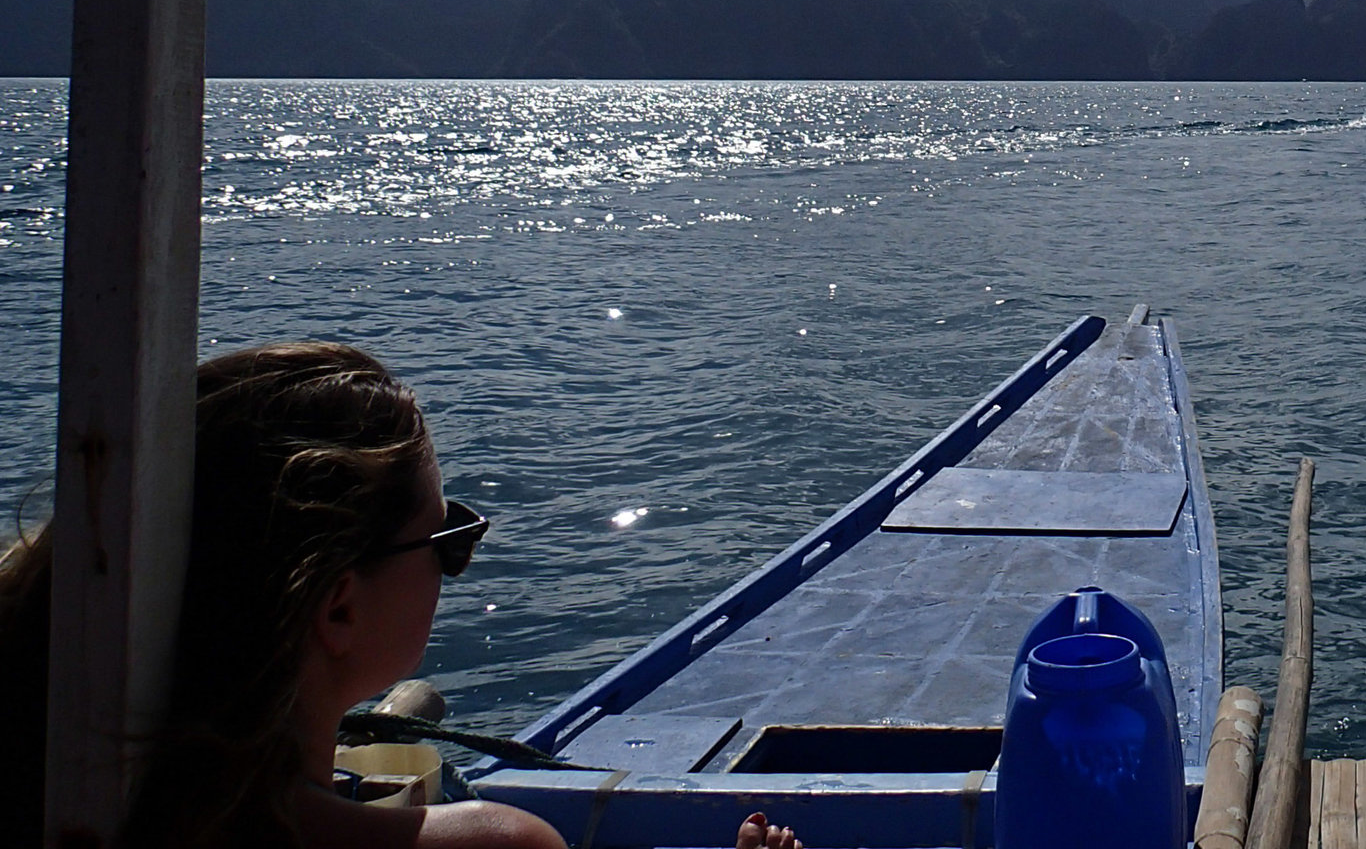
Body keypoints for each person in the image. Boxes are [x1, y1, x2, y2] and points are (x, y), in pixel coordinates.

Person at [0, 342, 801, 849]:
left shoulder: (69, 803)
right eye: (449, 540)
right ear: (339, 608)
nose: (459, 561)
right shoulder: (499, 845)